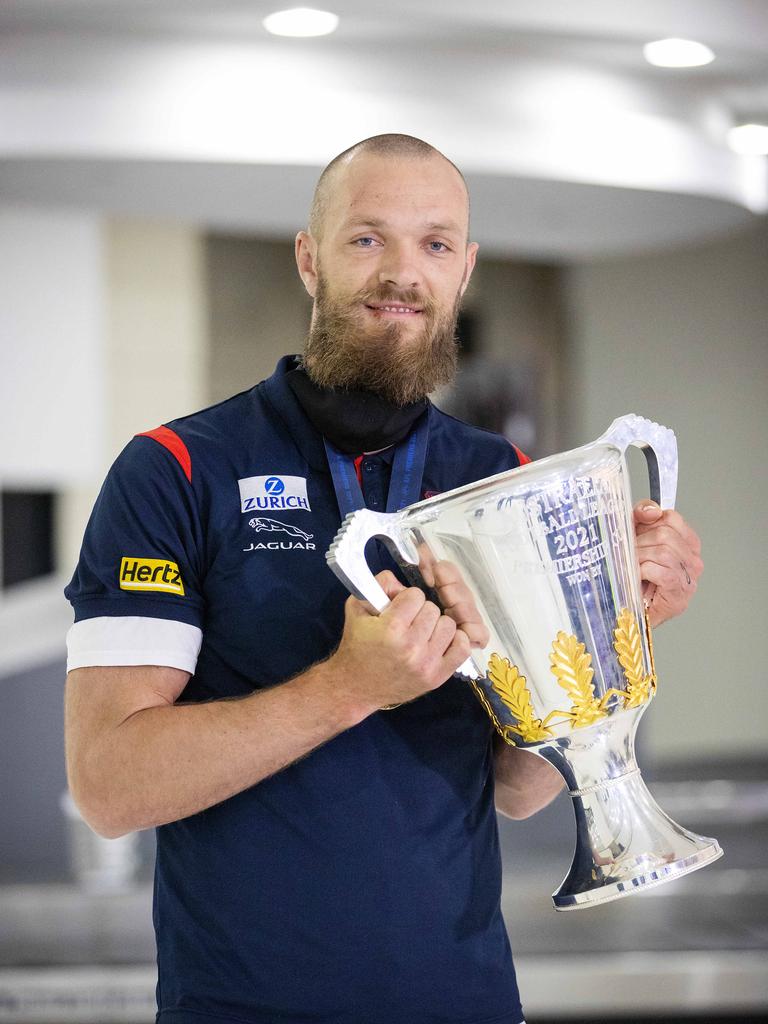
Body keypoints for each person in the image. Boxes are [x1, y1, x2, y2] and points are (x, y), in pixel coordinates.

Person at [64, 134, 703, 1024]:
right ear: (309, 258)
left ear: (464, 270)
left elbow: (518, 789)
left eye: (435, 244)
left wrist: (618, 627)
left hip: (465, 1001)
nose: (403, 273)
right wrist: (345, 689)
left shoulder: (504, 476)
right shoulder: (175, 469)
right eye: (368, 238)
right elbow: (107, 788)